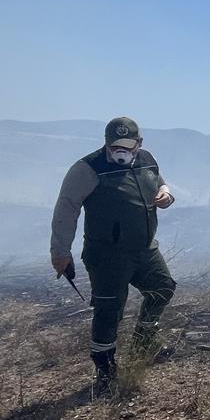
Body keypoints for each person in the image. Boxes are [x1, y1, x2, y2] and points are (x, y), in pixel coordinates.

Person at [50, 116, 177, 395]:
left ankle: (145, 342)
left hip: (145, 249)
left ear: (138, 144)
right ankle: (105, 370)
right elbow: (66, 209)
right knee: (109, 311)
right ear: (106, 143)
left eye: (127, 145)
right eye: (115, 145)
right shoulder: (87, 168)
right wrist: (60, 252)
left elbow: (160, 183)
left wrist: (166, 194)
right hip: (107, 255)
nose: (121, 151)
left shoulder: (146, 158)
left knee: (162, 288)